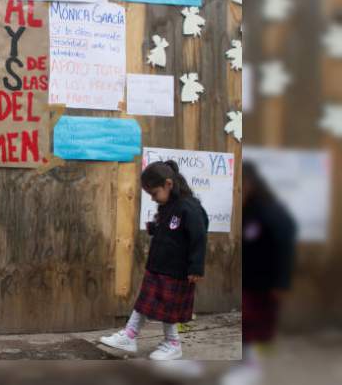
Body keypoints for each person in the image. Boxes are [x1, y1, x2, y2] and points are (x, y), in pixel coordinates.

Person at [100, 160, 208, 360]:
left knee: (169, 309)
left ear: (168, 184)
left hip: (176, 270)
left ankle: (172, 344)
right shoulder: (168, 205)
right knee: (144, 303)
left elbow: (199, 237)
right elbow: (170, 231)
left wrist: (196, 267)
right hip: (158, 267)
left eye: (154, 193)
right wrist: (155, 229)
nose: (153, 198)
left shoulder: (189, 207)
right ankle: (130, 336)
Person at [221, 161, 296, 385]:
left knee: (253, 326)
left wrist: (281, 282)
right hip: (248, 281)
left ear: (252, 183)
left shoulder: (271, 211)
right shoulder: (247, 209)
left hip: (264, 283)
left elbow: (285, 247)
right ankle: (244, 364)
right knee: (242, 324)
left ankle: (250, 367)